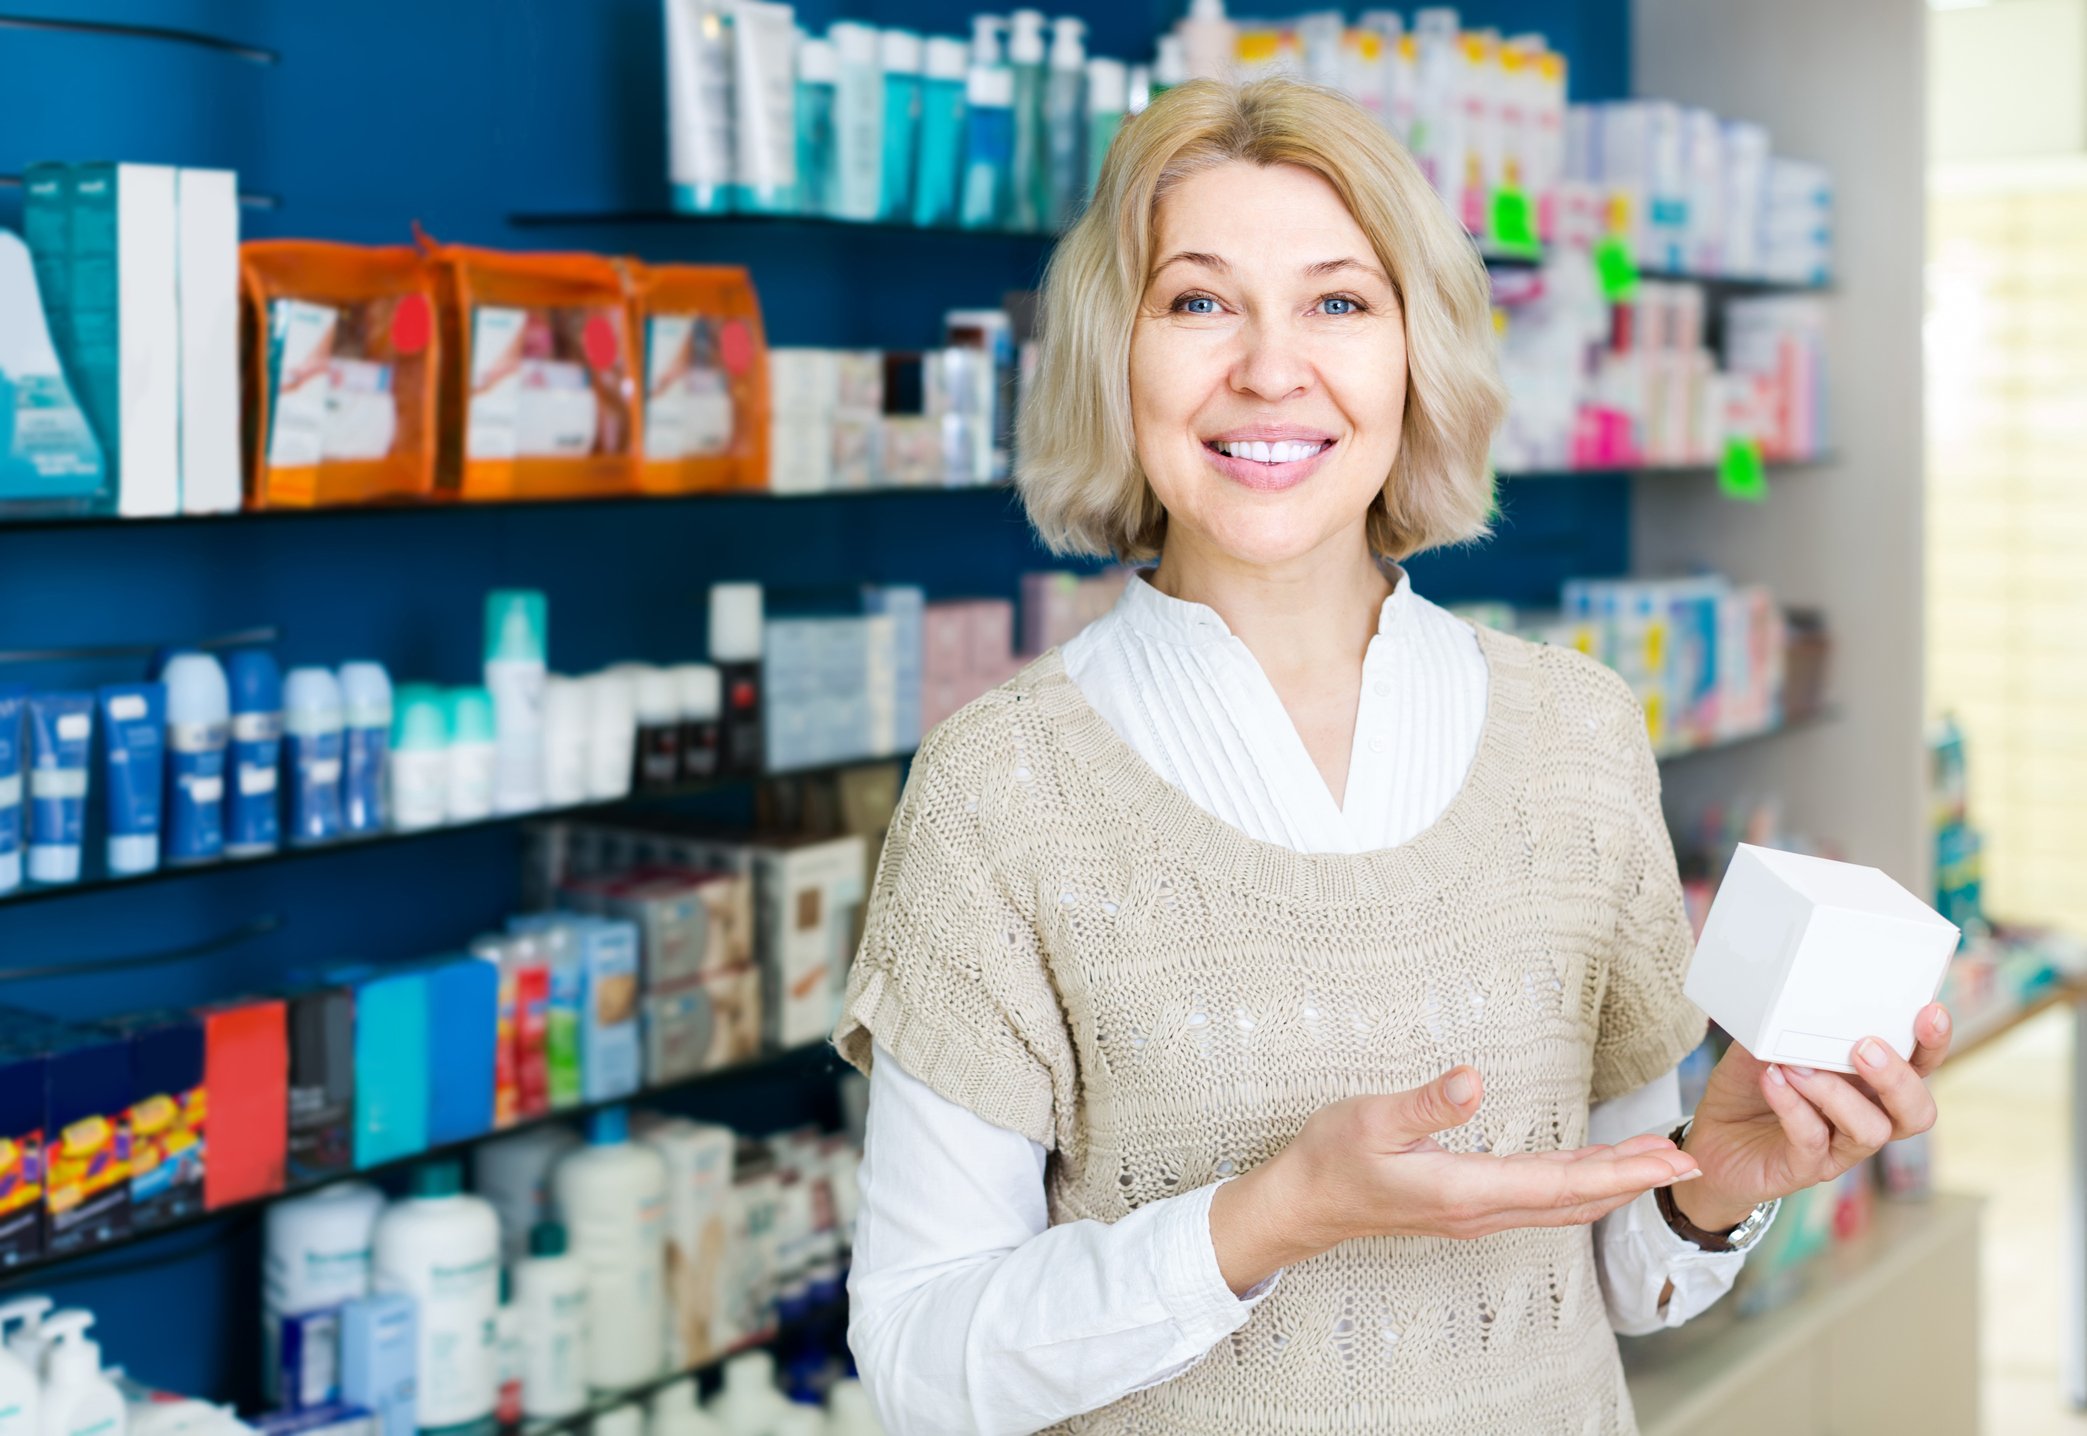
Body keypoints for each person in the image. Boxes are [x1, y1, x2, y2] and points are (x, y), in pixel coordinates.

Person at [832, 77, 1949, 1435]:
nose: (1268, 368)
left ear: (1418, 353)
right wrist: (1268, 1219)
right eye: (1196, 302)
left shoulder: (1575, 737)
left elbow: (1617, 1275)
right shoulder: (999, 791)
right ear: (1110, 360)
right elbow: (919, 1362)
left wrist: (1710, 1184)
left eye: (1338, 302)